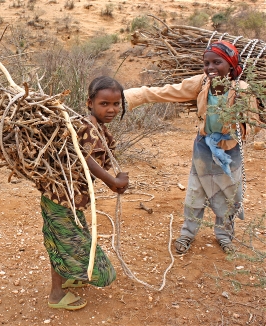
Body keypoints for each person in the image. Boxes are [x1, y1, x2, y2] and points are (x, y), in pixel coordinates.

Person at [123, 41, 260, 254]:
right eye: (207, 63)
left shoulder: (242, 90)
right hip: (203, 147)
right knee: (196, 193)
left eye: (217, 62)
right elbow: (165, 92)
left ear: (231, 65)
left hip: (230, 150)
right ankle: (187, 233)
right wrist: (132, 96)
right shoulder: (202, 83)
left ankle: (224, 235)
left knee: (229, 194)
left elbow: (253, 123)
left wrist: (234, 129)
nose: (211, 67)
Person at [36, 76, 129, 310]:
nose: (111, 109)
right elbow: (86, 160)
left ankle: (70, 278)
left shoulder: (98, 128)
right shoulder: (87, 126)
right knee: (62, 245)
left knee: (66, 242)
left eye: (116, 104)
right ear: (90, 103)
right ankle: (56, 295)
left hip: (70, 200)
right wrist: (113, 181)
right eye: (104, 104)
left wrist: (114, 184)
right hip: (60, 199)